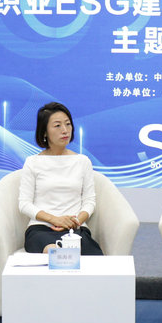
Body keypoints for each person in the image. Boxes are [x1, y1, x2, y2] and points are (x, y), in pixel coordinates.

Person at [18, 102, 104, 255]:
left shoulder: (82, 161)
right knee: (52, 250)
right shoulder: (33, 162)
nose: (65, 130)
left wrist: (75, 221)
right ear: (44, 132)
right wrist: (54, 219)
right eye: (57, 125)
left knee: (94, 256)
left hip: (75, 228)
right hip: (41, 228)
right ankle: (54, 254)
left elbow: (89, 201)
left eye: (68, 124)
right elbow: (24, 204)